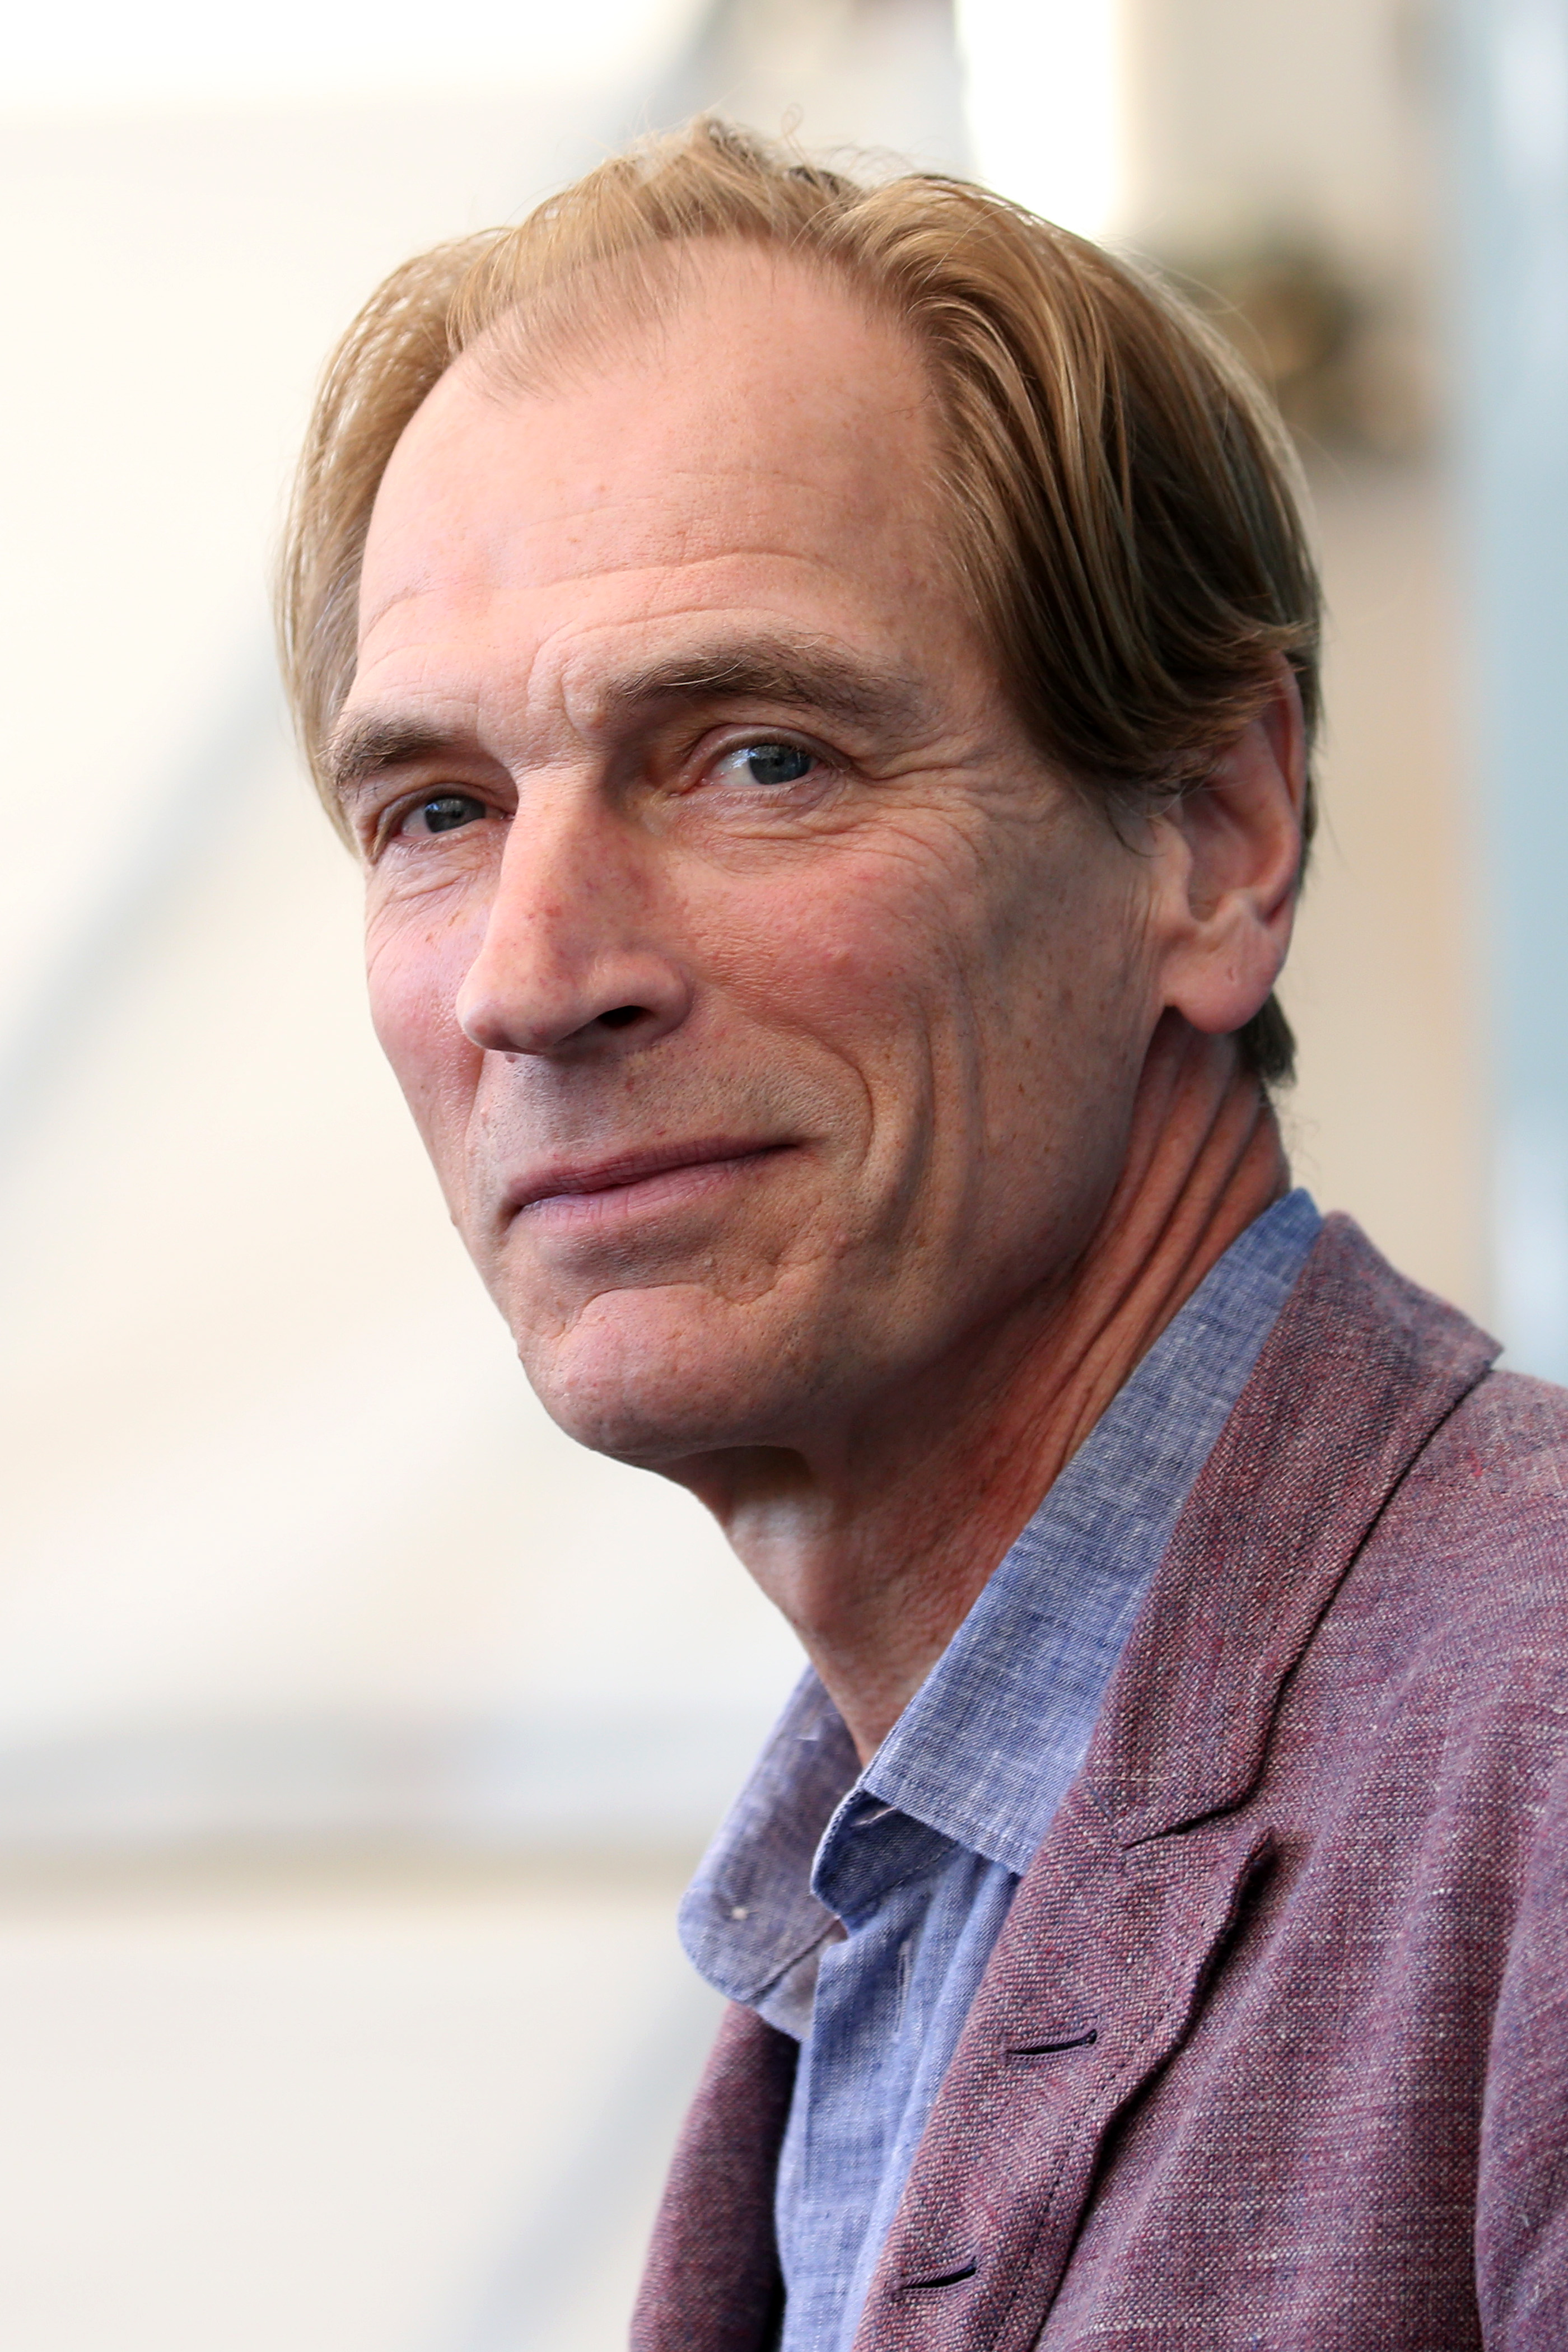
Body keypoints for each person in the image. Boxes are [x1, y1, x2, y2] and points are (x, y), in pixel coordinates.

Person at [277, 119, 1568, 2350]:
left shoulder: (1528, 1758)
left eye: (755, 757)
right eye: (437, 811)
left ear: (1218, 840)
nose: (532, 970)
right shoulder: (884, 1895)